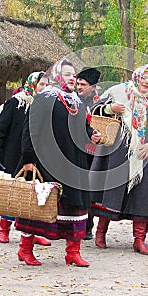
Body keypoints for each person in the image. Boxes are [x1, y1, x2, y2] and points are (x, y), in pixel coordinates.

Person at [14, 58, 101, 267]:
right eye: (67, 74)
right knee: (40, 206)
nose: (72, 78)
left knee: (75, 207)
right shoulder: (45, 98)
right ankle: (25, 250)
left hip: (73, 163)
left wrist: (91, 134)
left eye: (74, 74)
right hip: (48, 160)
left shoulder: (76, 102)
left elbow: (80, 129)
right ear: (57, 75)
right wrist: (28, 159)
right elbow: (30, 128)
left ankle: (73, 252)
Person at [90, 63, 148, 255]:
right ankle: (101, 232)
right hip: (116, 154)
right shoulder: (118, 93)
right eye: (144, 78)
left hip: (144, 156)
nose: (147, 82)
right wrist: (110, 108)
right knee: (111, 193)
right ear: (136, 77)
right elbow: (94, 109)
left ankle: (139, 239)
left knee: (142, 197)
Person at [0, 73, 51, 246]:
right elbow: (1, 130)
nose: (44, 88)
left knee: (32, 195)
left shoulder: (43, 106)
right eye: (41, 84)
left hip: (33, 156)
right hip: (13, 154)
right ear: (32, 84)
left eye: (47, 85)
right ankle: (4, 228)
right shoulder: (15, 103)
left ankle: (32, 232)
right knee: (13, 193)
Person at [76, 66, 101, 240]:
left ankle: (88, 226)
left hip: (95, 152)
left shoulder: (100, 103)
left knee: (91, 188)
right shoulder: (72, 101)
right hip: (76, 150)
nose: (79, 87)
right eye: (78, 83)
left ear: (92, 87)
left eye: (83, 85)